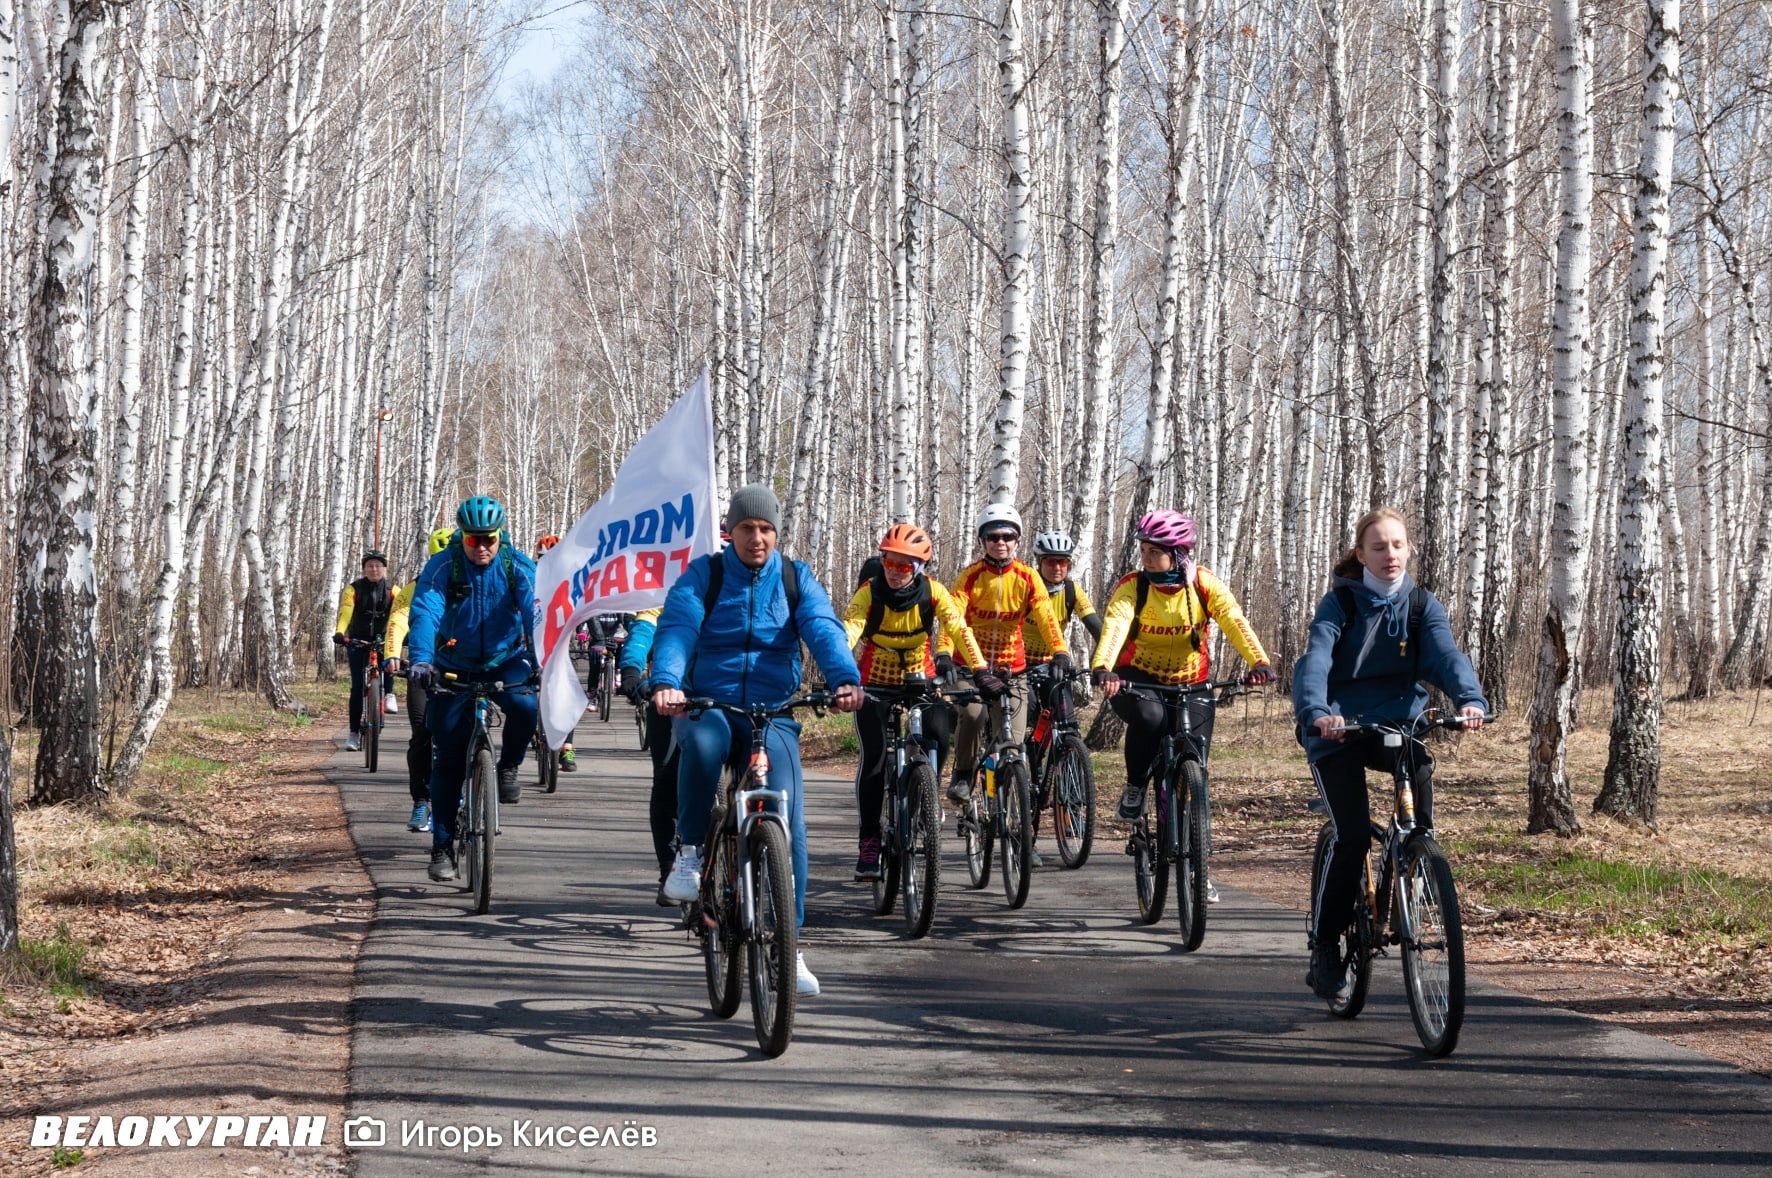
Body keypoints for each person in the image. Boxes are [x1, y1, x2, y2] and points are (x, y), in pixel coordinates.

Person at [649, 483, 863, 997]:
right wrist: (668, 682)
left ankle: (790, 945)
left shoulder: (794, 578)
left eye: (766, 528)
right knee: (701, 748)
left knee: (789, 815)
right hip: (707, 703)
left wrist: (844, 678)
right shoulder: (706, 574)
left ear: (776, 533)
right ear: (731, 532)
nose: (758, 538)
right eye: (747, 528)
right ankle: (692, 854)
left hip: (774, 710)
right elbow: (678, 627)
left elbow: (823, 628)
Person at [1293, 507, 1486, 1000]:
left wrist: (1468, 698)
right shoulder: (1340, 603)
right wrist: (1317, 710)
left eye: (1397, 545)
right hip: (1337, 727)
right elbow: (1316, 656)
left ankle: (1415, 878)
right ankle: (1326, 945)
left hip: (1399, 721)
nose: (1389, 554)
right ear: (1361, 555)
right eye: (1378, 547)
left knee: (1420, 813)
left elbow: (1445, 654)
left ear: (1408, 549)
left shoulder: (1421, 604)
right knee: (1353, 835)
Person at [1092, 510, 1274, 903]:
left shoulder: (1203, 585)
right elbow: (1115, 625)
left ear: (1177, 554)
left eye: (1154, 551)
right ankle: (1136, 784)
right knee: (1151, 718)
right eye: (1142, 549)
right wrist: (1103, 667)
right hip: (1135, 676)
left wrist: (1258, 661)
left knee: (1196, 768)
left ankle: (1198, 868)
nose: (1145, 557)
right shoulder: (1133, 587)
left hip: (1193, 681)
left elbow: (1234, 620)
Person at [842, 523, 987, 881]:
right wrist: (840, 675)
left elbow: (958, 628)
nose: (894, 571)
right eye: (889, 561)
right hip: (873, 681)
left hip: (918, 679)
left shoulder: (934, 592)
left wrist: (980, 670)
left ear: (920, 568)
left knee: (938, 732)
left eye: (905, 566)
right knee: (874, 761)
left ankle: (925, 792)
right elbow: (847, 631)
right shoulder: (869, 592)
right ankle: (870, 840)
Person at [405, 497, 540, 883]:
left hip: (506, 657)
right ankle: (442, 847)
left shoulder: (516, 566)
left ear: (500, 537)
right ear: (461, 537)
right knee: (447, 759)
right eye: (472, 540)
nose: (481, 547)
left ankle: (509, 766)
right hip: (453, 663)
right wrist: (421, 660)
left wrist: (543, 657)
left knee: (525, 706)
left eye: (488, 539)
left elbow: (535, 610)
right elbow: (426, 611)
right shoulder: (443, 565)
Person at [945, 504, 1071, 826]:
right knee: (973, 715)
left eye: (1008, 536)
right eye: (993, 536)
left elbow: (1046, 616)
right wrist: (944, 652)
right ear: (982, 540)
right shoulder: (970, 577)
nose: (1000, 542)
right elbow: (953, 619)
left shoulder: (1028, 577)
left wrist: (1060, 651)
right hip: (968, 669)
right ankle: (962, 775)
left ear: (1017, 540)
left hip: (1011, 669)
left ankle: (1015, 820)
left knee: (1013, 744)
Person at [1021, 529, 1103, 815]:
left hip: (1055, 665)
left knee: (1068, 727)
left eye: (1063, 562)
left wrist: (1110, 658)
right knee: (1025, 722)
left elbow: (1094, 624)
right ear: (1039, 562)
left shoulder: (1071, 591)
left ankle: (1071, 798)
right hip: (1020, 666)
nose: (1057, 568)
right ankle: (1024, 775)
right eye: (1051, 562)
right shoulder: (1025, 587)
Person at [384, 527, 457, 832]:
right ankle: (421, 802)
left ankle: (471, 786)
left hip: (462, 668)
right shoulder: (416, 586)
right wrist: (391, 653)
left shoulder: (474, 582)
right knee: (422, 733)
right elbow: (399, 620)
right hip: (423, 669)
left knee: (462, 733)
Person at [617, 606, 682, 906]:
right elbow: (644, 630)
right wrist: (631, 669)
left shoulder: (731, 582)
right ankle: (669, 867)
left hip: (723, 692)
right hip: (667, 696)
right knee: (667, 776)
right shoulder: (664, 590)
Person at [334, 549, 394, 752]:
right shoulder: (354, 589)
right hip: (358, 640)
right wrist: (340, 632)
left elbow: (400, 616)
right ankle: (352, 733)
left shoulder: (393, 590)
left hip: (384, 638)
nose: (374, 569)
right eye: (370, 566)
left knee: (390, 661)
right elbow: (345, 613)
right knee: (357, 686)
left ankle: (390, 694)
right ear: (364, 569)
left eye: (378, 565)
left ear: (384, 568)